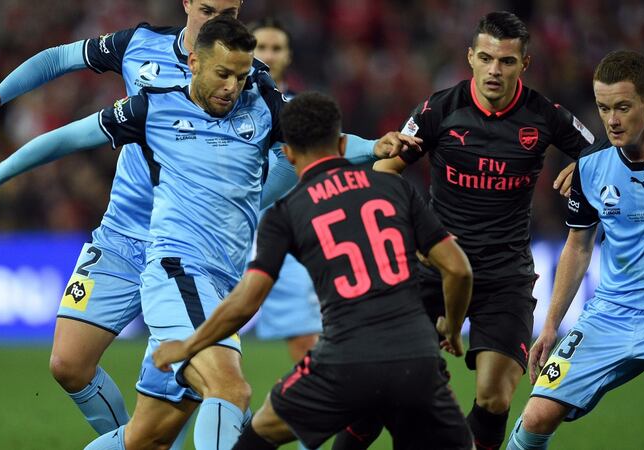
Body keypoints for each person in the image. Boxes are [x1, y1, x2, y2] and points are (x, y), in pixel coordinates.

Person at [0, 16, 404, 449]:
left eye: (241, 76)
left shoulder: (262, 105)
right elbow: (69, 136)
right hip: (177, 271)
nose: (232, 87)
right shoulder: (153, 106)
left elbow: (326, 145)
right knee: (230, 389)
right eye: (223, 74)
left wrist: (377, 145)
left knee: (147, 438)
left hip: (219, 282)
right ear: (195, 60)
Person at [0, 1, 251, 445]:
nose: (220, 19)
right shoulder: (139, 45)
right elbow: (60, 58)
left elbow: (280, 151)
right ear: (188, 2)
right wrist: (1, 94)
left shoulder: (244, 76)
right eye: (209, 7)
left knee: (211, 386)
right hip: (123, 236)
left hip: (191, 249)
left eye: (230, 9)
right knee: (68, 364)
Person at [153, 91, 474, 450]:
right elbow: (459, 270)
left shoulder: (286, 211)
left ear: (287, 154)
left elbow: (246, 301)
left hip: (342, 363)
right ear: (340, 143)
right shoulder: (394, 187)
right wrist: (454, 327)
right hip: (417, 359)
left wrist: (189, 344)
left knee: (256, 439)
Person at [335, 11, 596, 450]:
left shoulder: (545, 117)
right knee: (379, 390)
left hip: (504, 277)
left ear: (524, 66)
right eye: (487, 58)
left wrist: (583, 167)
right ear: (470, 57)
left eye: (507, 61)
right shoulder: (439, 109)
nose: (496, 70)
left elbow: (604, 155)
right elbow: (385, 167)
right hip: (431, 270)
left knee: (495, 397)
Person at [506, 50, 644, 450]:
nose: (612, 120)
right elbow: (578, 247)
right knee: (536, 415)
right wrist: (550, 326)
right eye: (603, 108)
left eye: (622, 107)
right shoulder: (590, 166)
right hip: (611, 315)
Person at [249, 18, 322, 370]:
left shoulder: (302, 112)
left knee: (307, 342)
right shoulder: (223, 105)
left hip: (290, 238)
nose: (268, 55)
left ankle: (314, 418)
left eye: (276, 48)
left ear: (288, 56)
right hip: (227, 233)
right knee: (195, 342)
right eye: (260, 47)